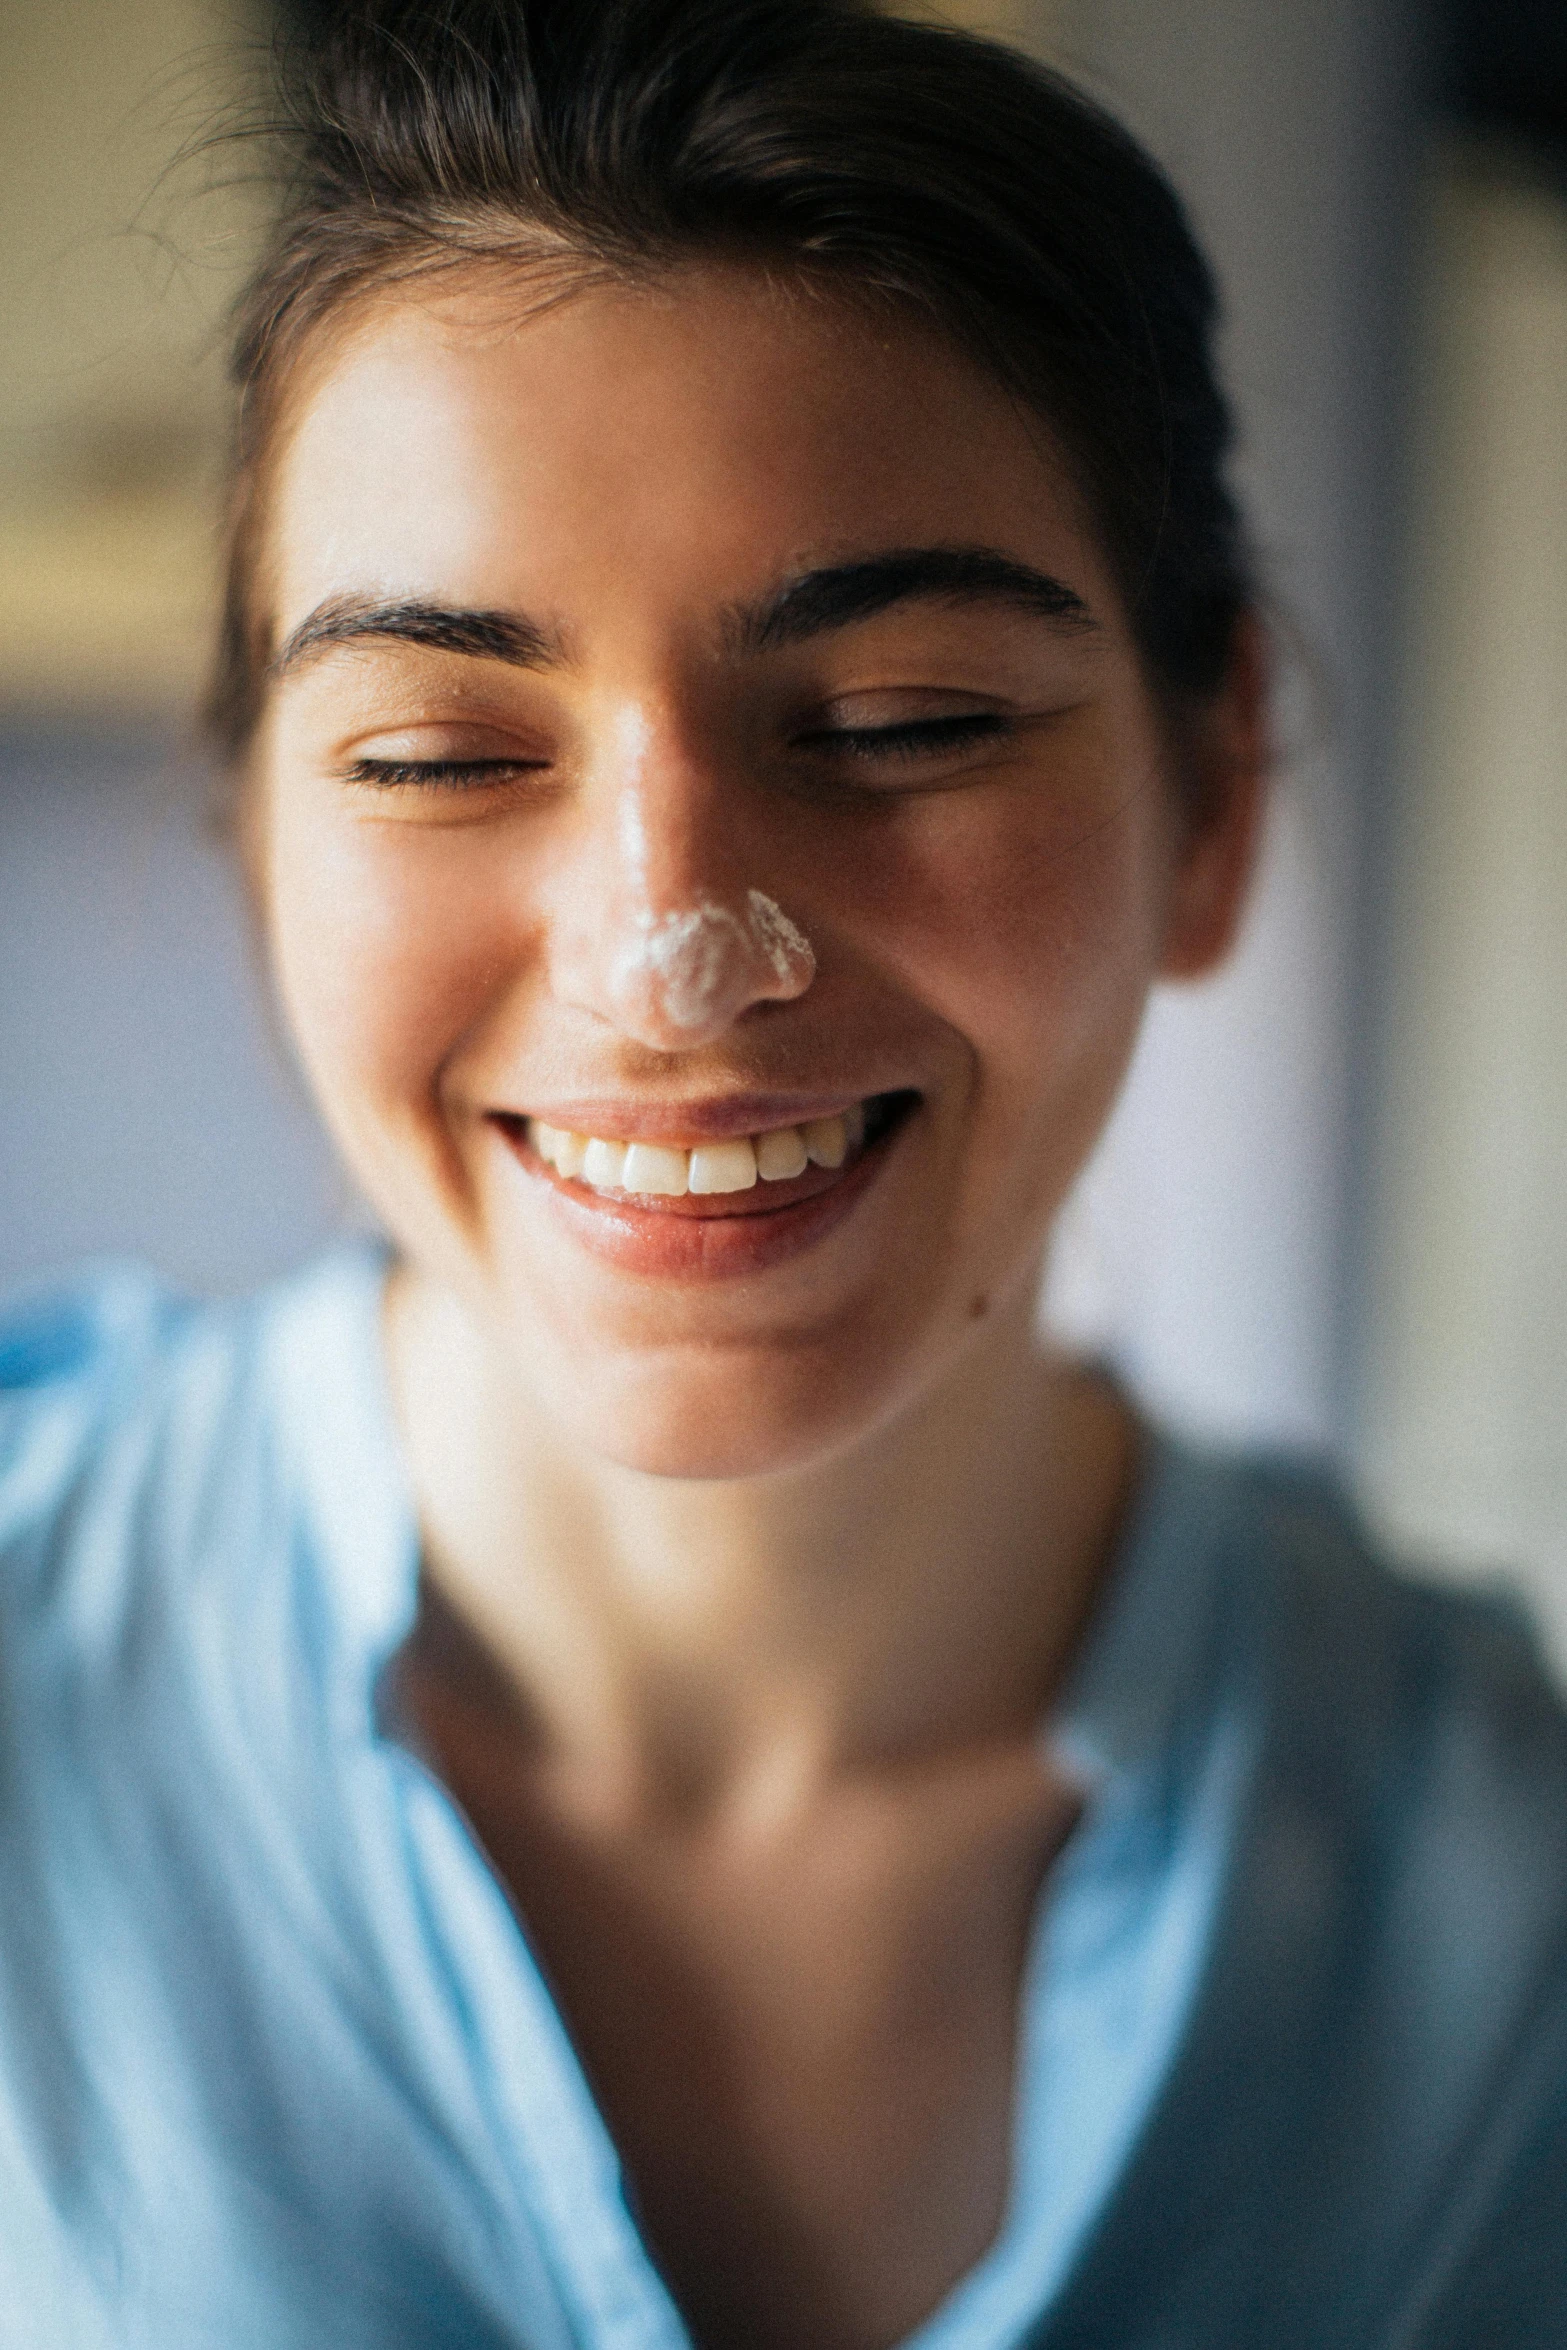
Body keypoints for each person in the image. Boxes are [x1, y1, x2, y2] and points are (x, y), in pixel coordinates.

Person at [2, 2, 1564, 2343]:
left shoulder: (1503, 1924)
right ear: (253, 833)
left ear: (1216, 790)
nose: (670, 956)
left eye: (905, 721)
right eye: (435, 753)